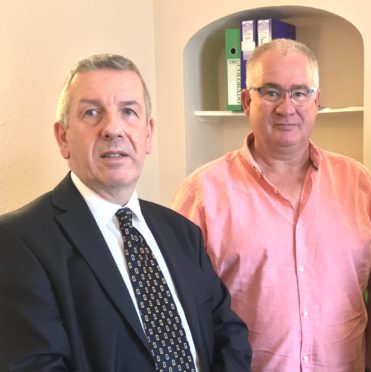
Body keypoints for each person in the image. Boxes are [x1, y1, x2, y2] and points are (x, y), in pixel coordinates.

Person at [0, 54, 252, 372]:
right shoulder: (19, 243)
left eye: (128, 112)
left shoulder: (181, 231)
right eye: (91, 113)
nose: (113, 129)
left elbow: (229, 333)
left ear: (147, 134)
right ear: (63, 137)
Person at [171, 39, 371, 372]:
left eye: (299, 92)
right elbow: (178, 301)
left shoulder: (357, 182)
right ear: (245, 102)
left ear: (316, 101)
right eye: (270, 92)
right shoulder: (203, 191)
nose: (286, 108)